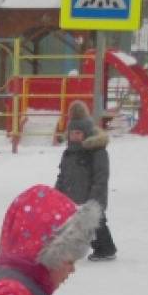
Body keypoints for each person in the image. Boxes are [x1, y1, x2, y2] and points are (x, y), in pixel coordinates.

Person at [55, 100, 114, 261]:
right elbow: (63, 174)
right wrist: (57, 191)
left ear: (86, 133)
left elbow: (101, 176)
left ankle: (106, 249)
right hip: (71, 193)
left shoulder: (96, 152)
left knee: (96, 222)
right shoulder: (69, 152)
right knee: (74, 223)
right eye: (72, 133)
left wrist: (95, 197)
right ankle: (70, 249)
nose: (75, 137)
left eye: (79, 133)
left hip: (92, 195)